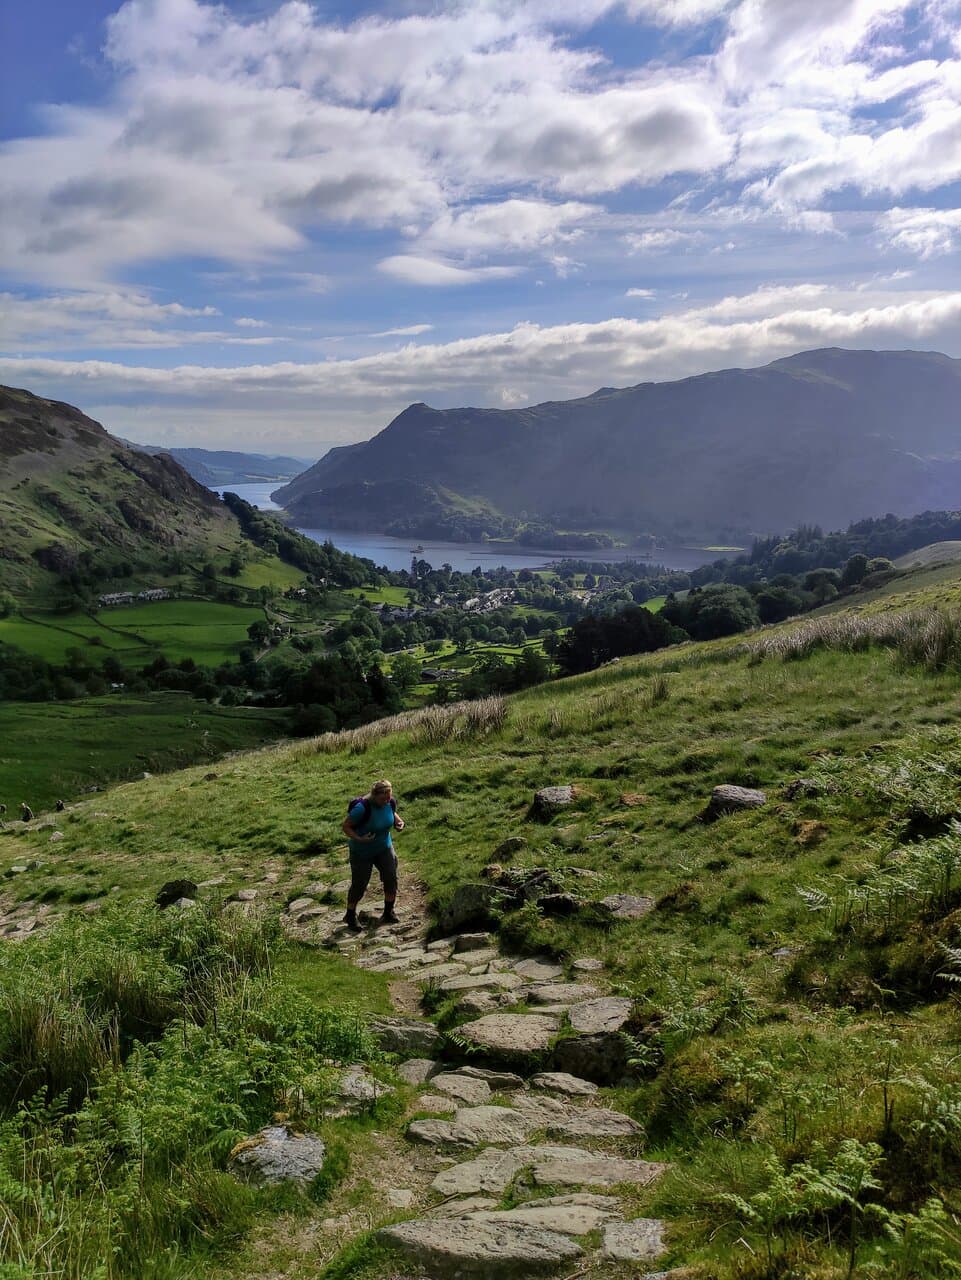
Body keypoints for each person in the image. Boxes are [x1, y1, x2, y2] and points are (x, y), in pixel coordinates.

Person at [342, 779, 405, 932]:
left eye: (389, 797)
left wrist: (399, 822)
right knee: (360, 884)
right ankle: (350, 914)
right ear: (374, 796)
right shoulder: (361, 808)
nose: (387, 801)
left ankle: (388, 912)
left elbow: (391, 812)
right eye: (383, 798)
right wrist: (359, 838)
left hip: (384, 847)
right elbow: (346, 826)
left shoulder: (389, 803)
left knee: (391, 877)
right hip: (362, 852)